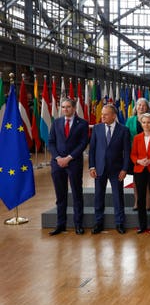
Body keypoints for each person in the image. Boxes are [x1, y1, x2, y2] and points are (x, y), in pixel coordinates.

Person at [47, 98, 89, 235]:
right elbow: (51, 142)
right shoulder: (56, 123)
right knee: (60, 196)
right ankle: (61, 225)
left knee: (77, 194)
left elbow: (83, 144)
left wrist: (69, 158)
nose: (65, 109)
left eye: (68, 107)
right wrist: (58, 158)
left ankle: (78, 225)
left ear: (74, 108)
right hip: (57, 164)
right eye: (63, 107)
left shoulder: (82, 124)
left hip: (74, 163)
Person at [88, 104, 131, 234]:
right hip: (99, 169)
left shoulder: (123, 130)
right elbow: (92, 149)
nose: (102, 117)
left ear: (113, 115)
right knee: (98, 196)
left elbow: (127, 152)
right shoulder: (97, 128)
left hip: (117, 170)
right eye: (102, 114)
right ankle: (98, 222)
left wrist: (124, 169)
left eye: (105, 115)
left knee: (118, 197)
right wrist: (92, 166)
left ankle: (119, 223)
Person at [125, 97, 150, 211]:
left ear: (147, 107)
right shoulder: (130, 120)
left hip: (148, 154)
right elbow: (126, 137)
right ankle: (137, 202)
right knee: (136, 179)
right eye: (139, 105)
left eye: (143, 105)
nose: (141, 107)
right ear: (136, 107)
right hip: (134, 154)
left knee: (147, 179)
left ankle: (148, 203)